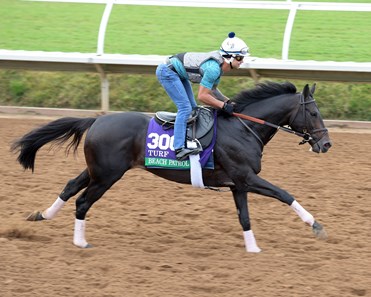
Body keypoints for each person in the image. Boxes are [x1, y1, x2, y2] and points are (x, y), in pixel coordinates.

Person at [156, 32, 250, 161]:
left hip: (178, 72)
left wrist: (228, 101)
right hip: (168, 72)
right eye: (239, 58)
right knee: (185, 108)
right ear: (229, 57)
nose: (242, 61)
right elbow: (203, 96)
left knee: (193, 108)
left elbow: (213, 90)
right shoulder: (213, 69)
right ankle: (179, 149)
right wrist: (223, 106)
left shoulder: (219, 65)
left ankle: (189, 139)